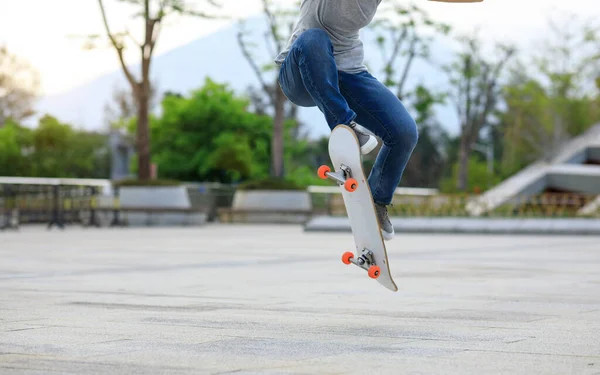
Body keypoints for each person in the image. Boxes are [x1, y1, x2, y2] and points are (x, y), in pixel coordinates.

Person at [275, 0, 418, 241]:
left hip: (349, 73)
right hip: (301, 68)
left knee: (404, 133)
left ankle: (376, 201)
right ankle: (345, 126)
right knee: (314, 38)